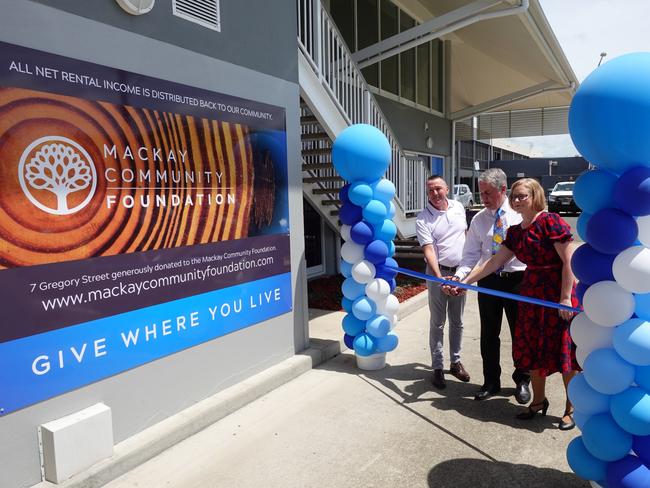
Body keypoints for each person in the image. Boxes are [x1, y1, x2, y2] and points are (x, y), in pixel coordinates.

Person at [458, 178, 578, 430]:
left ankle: (571, 407)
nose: (517, 200)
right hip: (531, 295)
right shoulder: (516, 231)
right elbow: (493, 263)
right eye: (514, 196)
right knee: (532, 350)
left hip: (556, 295)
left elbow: (569, 262)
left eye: (522, 195)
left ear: (536, 196)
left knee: (563, 352)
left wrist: (565, 298)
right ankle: (538, 401)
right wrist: (466, 281)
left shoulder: (550, 222)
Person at [446, 169, 531, 403]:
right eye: (481, 192)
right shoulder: (478, 219)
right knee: (489, 334)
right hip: (488, 281)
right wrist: (460, 277)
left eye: (487, 193)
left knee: (520, 333)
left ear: (503, 190)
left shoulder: (519, 216)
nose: (482, 198)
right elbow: (470, 255)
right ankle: (491, 381)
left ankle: (522, 379)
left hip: (517, 281)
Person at [415, 175, 470, 389]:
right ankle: (437, 367)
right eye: (430, 191)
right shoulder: (423, 219)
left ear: (447, 188)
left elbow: (465, 237)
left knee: (458, 321)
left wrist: (464, 273)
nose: (435, 193)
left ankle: (455, 363)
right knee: (437, 323)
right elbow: (428, 250)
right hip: (438, 275)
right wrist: (439, 279)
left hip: (460, 275)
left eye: (438, 188)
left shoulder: (458, 207)